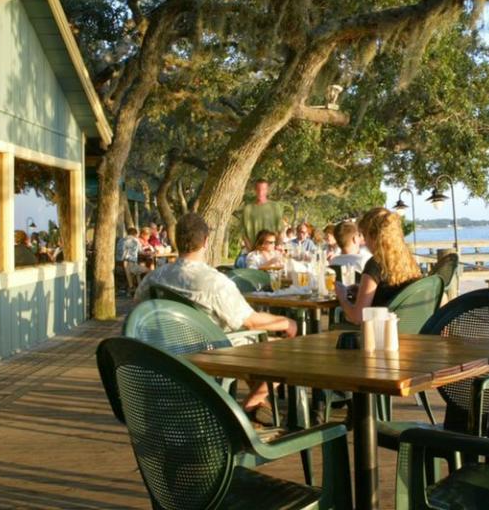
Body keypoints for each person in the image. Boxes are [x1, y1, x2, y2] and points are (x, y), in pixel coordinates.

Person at [136, 212, 297, 423]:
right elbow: (249, 320)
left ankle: (261, 406)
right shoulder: (213, 282)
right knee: (286, 351)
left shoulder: (155, 278)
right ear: (205, 241)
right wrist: (285, 322)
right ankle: (244, 410)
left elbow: (138, 309)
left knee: (253, 342)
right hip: (212, 350)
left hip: (168, 352)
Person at [334, 209, 421, 324]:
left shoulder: (375, 263)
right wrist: (362, 289)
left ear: (374, 236)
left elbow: (358, 317)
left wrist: (343, 298)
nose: (364, 241)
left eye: (365, 235)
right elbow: (390, 292)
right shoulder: (409, 260)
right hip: (410, 329)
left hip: (381, 335)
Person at [241, 179, 285, 252]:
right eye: (258, 189)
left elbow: (281, 230)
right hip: (254, 251)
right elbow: (244, 234)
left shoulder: (275, 207)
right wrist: (251, 251)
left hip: (272, 251)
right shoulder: (247, 209)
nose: (261, 192)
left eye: (263, 189)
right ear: (255, 190)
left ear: (267, 190)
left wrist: (278, 247)